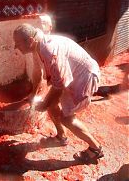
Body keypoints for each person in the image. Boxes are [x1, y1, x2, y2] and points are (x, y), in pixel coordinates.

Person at [13, 23, 104, 163]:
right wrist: (34, 94)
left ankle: (95, 149)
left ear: (30, 41)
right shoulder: (37, 45)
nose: (16, 47)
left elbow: (59, 85)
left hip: (84, 78)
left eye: (18, 43)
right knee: (52, 104)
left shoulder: (49, 50)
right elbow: (38, 73)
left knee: (67, 118)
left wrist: (44, 104)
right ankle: (61, 137)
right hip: (71, 76)